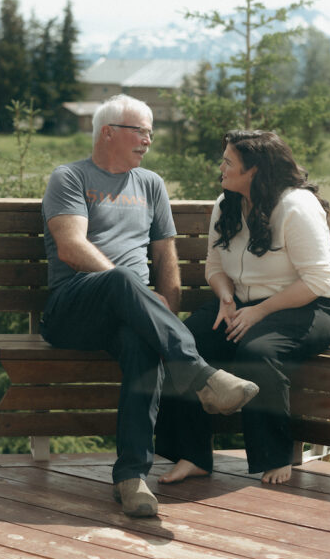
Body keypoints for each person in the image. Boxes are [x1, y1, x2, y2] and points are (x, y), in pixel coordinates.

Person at [39, 95, 259, 518]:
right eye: (140, 131)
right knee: (122, 278)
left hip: (129, 312)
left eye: (151, 133)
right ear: (108, 132)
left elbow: (165, 259)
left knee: (143, 348)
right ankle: (201, 376)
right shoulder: (69, 177)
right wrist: (127, 287)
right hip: (72, 308)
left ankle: (130, 477)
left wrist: (163, 314)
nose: (148, 140)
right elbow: (70, 247)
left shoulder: (151, 184)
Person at [155, 129, 330, 485]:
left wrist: (260, 311)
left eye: (229, 162)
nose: (221, 167)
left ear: (254, 170)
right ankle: (192, 455)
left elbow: (318, 281)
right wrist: (226, 297)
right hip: (240, 304)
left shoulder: (296, 206)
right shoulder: (225, 203)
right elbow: (215, 267)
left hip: (308, 306)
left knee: (257, 350)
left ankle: (276, 456)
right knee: (178, 340)